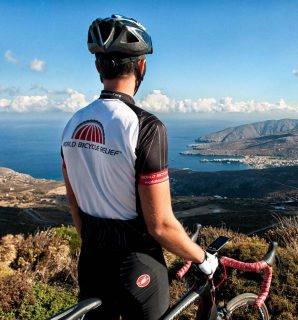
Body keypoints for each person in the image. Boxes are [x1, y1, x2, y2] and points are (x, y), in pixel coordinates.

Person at [61, 14, 218, 320]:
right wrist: (203, 258)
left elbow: (75, 206)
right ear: (141, 66)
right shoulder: (146, 127)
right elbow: (160, 224)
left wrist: (94, 242)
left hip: (91, 262)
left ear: (98, 66)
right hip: (137, 266)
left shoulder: (71, 124)